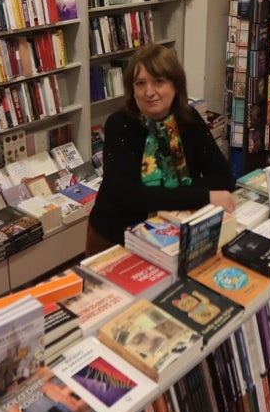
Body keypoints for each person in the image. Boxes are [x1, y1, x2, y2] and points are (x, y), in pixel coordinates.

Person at [86, 44, 236, 256]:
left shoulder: (188, 119)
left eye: (159, 81)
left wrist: (164, 195)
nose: (149, 92)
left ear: (176, 85)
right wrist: (205, 195)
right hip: (115, 238)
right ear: (132, 89)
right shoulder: (119, 124)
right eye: (140, 83)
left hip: (175, 232)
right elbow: (130, 197)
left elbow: (224, 177)